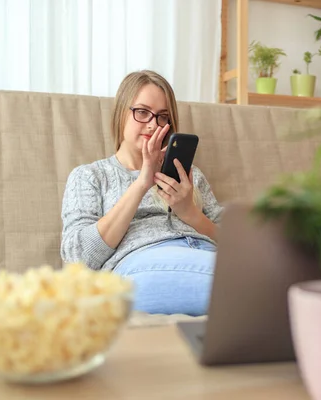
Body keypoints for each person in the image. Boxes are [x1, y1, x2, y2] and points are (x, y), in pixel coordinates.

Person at [60, 70, 223, 316]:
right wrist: (141, 184)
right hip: (142, 265)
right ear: (121, 113)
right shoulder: (90, 176)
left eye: (162, 117)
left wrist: (190, 213)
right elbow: (78, 258)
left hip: (205, 254)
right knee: (260, 287)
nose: (153, 124)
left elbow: (233, 242)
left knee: (255, 278)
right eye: (142, 112)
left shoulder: (190, 175)